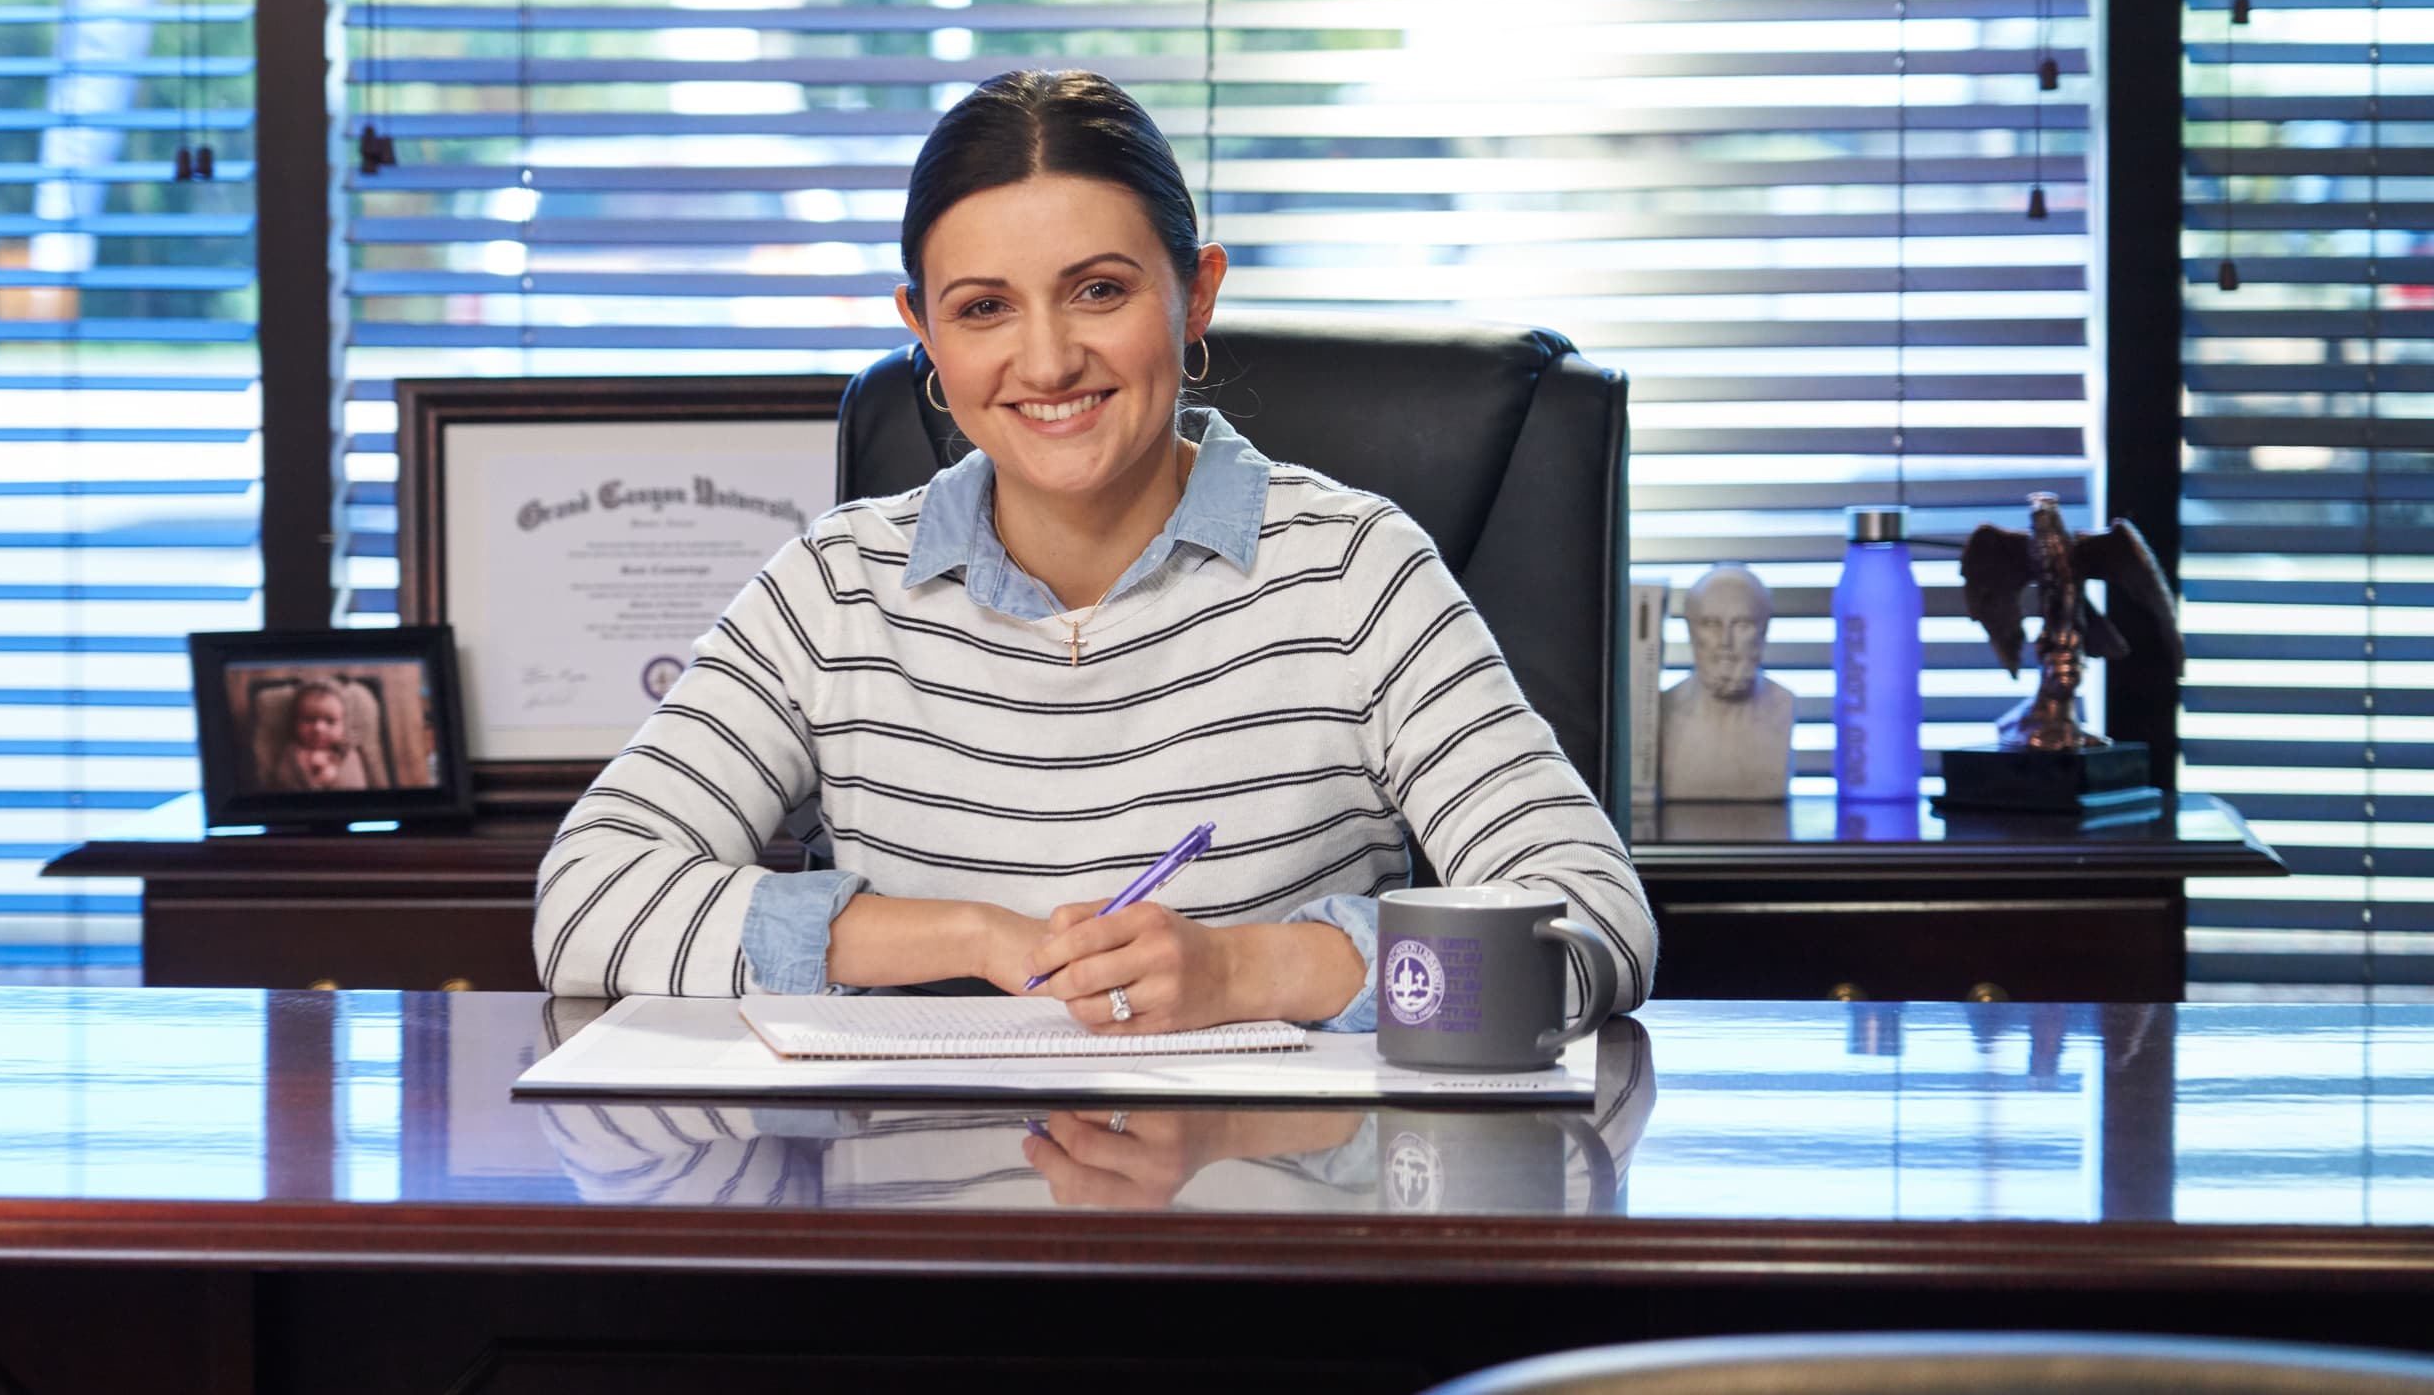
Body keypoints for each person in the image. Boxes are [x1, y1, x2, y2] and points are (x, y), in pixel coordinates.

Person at [533, 69, 1653, 1032]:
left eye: (1100, 291)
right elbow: (584, 902)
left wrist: (1248, 968)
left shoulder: (1355, 572)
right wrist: (967, 935)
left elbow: (1590, 922)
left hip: (1282, 1233)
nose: (1049, 359)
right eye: (982, 309)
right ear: (921, 329)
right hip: (912, 1233)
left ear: (1195, 294)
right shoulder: (834, 589)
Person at [1657, 563, 1793, 802]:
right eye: (1710, 624)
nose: (1725, 641)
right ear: (1690, 630)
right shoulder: (1663, 707)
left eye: (1742, 624)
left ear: (1763, 629)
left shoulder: (1784, 704)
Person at [266, 677, 369, 793]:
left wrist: (333, 774)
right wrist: (314, 780)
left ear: (344, 725)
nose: (318, 728)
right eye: (309, 719)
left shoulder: (349, 755)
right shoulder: (290, 755)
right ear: (294, 722)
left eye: (330, 721)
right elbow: (281, 784)